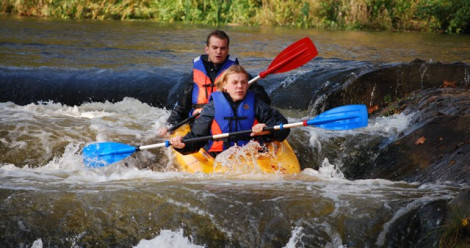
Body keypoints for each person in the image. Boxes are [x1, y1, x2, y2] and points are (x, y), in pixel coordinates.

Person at [159, 30, 270, 136]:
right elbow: (181, 109)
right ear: (207, 49)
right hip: (200, 126)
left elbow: (264, 102)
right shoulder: (194, 77)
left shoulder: (239, 77)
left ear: (227, 50)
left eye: (222, 48)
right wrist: (169, 126)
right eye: (215, 48)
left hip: (229, 124)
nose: (218, 52)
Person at [170, 65, 289, 158]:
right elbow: (196, 139)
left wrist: (267, 129)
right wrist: (182, 146)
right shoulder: (212, 107)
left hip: (252, 154)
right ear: (225, 85)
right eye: (235, 82)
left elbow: (284, 128)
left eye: (243, 82)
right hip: (221, 156)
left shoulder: (256, 104)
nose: (240, 86)